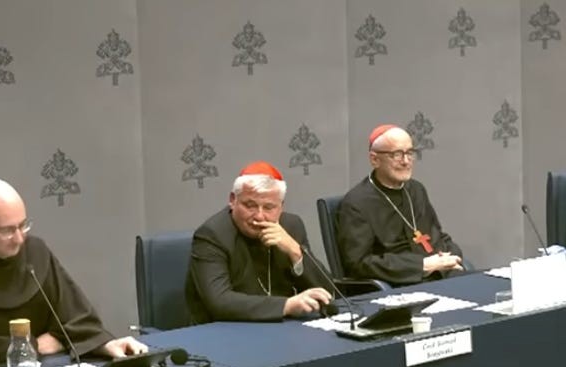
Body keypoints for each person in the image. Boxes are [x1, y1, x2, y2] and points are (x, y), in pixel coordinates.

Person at [0, 179, 147, 367]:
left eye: (23, 225)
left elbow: (77, 317)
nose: (19, 239)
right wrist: (37, 345)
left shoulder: (34, 251)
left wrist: (103, 345)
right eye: (7, 230)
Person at [185, 161, 334, 323]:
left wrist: (295, 252)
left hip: (281, 327)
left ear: (281, 206)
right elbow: (219, 301)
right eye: (250, 206)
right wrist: (287, 305)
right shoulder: (212, 235)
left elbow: (329, 294)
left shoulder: (291, 226)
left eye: (269, 207)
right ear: (233, 200)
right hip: (226, 329)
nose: (259, 216)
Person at [336, 124, 465, 286]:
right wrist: (422, 265)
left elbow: (437, 235)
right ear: (375, 159)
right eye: (397, 154)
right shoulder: (356, 203)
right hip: (401, 283)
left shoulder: (416, 190)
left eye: (409, 153)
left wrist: (452, 256)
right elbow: (359, 263)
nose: (406, 161)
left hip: (439, 274)